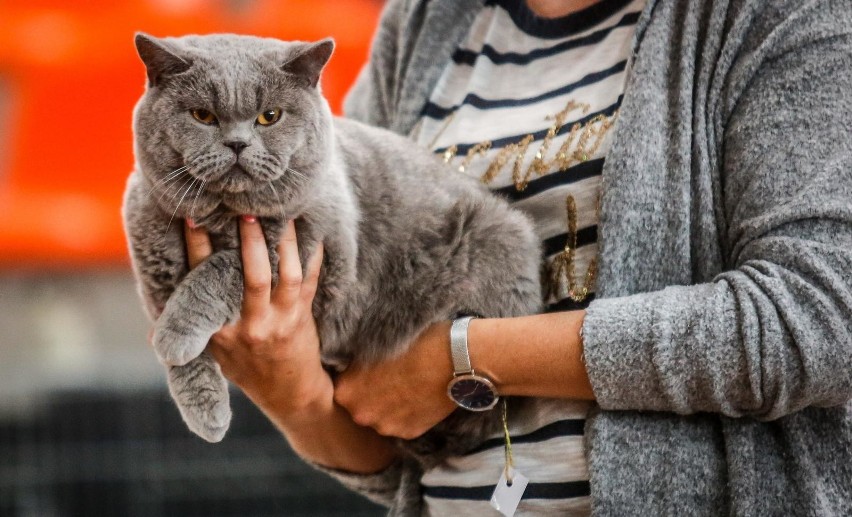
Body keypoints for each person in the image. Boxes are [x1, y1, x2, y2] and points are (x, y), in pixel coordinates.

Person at [181, 0, 852, 514]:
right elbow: (391, 436)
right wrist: (296, 394)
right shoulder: (424, 25)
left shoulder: (771, 16)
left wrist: (465, 356)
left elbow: (816, 323)